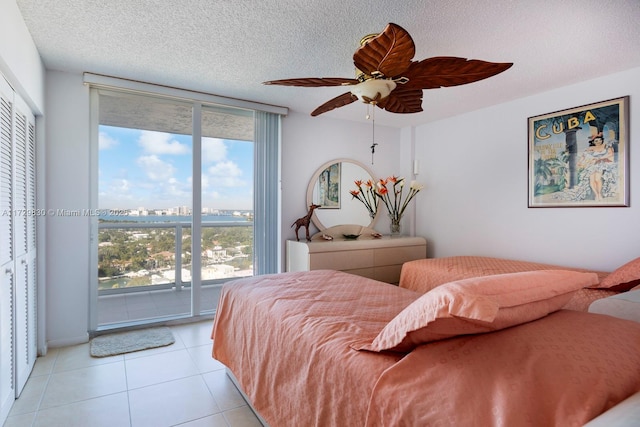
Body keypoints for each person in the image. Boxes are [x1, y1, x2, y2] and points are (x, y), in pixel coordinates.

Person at [578, 133, 615, 201]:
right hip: (591, 164)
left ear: (602, 140)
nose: (598, 142)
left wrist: (600, 158)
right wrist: (580, 162)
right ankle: (596, 194)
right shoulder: (590, 148)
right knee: (592, 180)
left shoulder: (606, 146)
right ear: (593, 142)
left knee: (597, 179)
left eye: (599, 140)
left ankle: (599, 193)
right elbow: (583, 156)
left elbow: (610, 154)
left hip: (600, 164)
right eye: (596, 141)